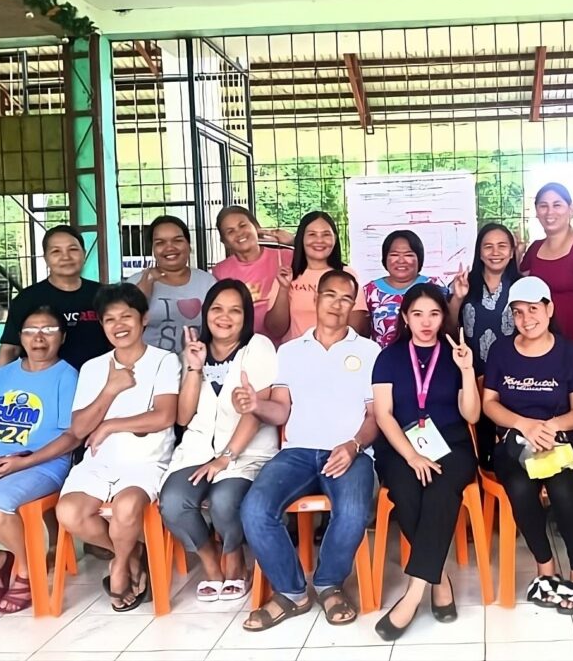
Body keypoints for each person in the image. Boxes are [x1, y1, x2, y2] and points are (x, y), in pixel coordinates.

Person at [240, 269, 380, 631]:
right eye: (329, 295)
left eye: (346, 298)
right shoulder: (290, 351)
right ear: (316, 299)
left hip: (351, 451)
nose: (337, 304)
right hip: (298, 451)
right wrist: (255, 404)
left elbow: (374, 415)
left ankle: (329, 583)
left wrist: (354, 445)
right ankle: (292, 592)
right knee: (255, 509)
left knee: (352, 511)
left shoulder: (369, 351)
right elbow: (281, 410)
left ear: (354, 305)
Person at [55, 283, 181, 612]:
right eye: (110, 319)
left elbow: (164, 416)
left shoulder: (164, 361)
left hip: (145, 461)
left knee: (126, 507)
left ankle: (120, 567)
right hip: (99, 462)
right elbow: (80, 428)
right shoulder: (94, 368)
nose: (119, 325)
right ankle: (133, 555)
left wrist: (110, 424)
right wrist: (110, 390)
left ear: (143, 319)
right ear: (102, 325)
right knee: (69, 512)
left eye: (127, 316)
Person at [0, 307, 79, 613]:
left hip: (44, 464)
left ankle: (26, 567)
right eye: (30, 330)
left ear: (62, 337)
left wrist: (23, 462)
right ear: (20, 338)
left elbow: (71, 437)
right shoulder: (3, 375)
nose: (39, 338)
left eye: (48, 330)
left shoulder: (67, 375)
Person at [371, 283, 480, 640]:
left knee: (441, 490)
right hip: (400, 445)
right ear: (405, 317)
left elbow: (473, 415)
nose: (426, 322)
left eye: (434, 313)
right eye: (417, 314)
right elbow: (384, 415)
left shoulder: (457, 352)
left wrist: (466, 369)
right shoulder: (388, 357)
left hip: (452, 445)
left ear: (443, 316)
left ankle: (413, 592)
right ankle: (439, 577)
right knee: (405, 488)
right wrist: (412, 455)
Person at [483, 276, 573, 614]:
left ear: (549, 308)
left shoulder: (568, 352)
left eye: (533, 309)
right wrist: (522, 423)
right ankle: (545, 569)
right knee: (520, 489)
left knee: (563, 491)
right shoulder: (501, 350)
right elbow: (489, 402)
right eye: (517, 312)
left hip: (561, 439)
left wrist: (550, 426)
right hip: (513, 442)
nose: (526, 319)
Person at [158, 280, 277, 603]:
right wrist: (194, 368)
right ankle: (210, 561)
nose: (225, 317)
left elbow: (255, 411)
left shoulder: (259, 347)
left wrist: (225, 457)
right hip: (197, 450)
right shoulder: (196, 350)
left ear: (246, 316)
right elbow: (183, 417)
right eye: (217, 309)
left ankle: (235, 558)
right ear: (206, 313)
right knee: (173, 501)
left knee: (225, 502)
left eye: (235, 311)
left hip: (244, 452)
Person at [447, 223, 522, 468]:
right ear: (479, 252)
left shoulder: (522, 286)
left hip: (512, 378)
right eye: (487, 246)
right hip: (470, 375)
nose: (495, 252)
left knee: (508, 450)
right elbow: (448, 329)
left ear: (512, 252)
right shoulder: (464, 284)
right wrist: (457, 298)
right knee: (476, 446)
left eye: (502, 246)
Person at [0, 225, 110, 370]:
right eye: (56, 251)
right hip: (42, 384)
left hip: (97, 381)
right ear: (46, 258)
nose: (66, 257)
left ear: (84, 254)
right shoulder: (27, 299)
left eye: (73, 250)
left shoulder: (104, 295)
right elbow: (10, 350)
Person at [520, 183, 573, 366]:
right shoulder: (534, 249)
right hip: (543, 348)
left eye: (557, 205)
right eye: (543, 206)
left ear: (570, 210)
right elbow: (522, 293)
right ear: (536, 212)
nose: (550, 212)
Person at [264, 211, 369, 342]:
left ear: (335, 239)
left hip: (337, 355)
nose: (319, 240)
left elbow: (357, 325)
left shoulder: (346, 275)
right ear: (301, 239)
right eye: (312, 234)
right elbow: (275, 330)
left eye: (326, 234)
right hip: (297, 356)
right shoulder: (287, 276)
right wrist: (284, 288)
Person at [127, 215, 216, 354]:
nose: (170, 247)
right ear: (153, 249)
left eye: (177, 240)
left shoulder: (207, 282)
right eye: (160, 242)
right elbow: (124, 322)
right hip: (150, 368)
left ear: (188, 244)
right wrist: (144, 288)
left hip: (196, 365)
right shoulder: (135, 282)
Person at [211, 206, 293, 346]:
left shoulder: (286, 257)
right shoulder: (220, 271)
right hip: (244, 348)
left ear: (256, 227)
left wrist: (293, 241)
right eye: (230, 231)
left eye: (243, 225)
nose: (239, 233)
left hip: (285, 346)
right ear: (224, 241)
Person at [363, 230, 442, 348]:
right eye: (394, 255)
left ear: (419, 258)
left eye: (408, 255)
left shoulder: (434, 286)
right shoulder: (370, 291)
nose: (401, 260)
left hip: (428, 360)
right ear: (385, 258)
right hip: (385, 362)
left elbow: (450, 324)